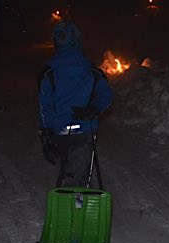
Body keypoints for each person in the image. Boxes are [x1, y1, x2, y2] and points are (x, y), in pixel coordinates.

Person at [38, 21, 113, 187]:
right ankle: (77, 205)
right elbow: (106, 94)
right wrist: (94, 108)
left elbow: (45, 104)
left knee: (67, 170)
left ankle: (70, 202)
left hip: (60, 129)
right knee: (79, 175)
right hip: (84, 129)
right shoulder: (90, 69)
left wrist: (46, 130)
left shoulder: (50, 71)